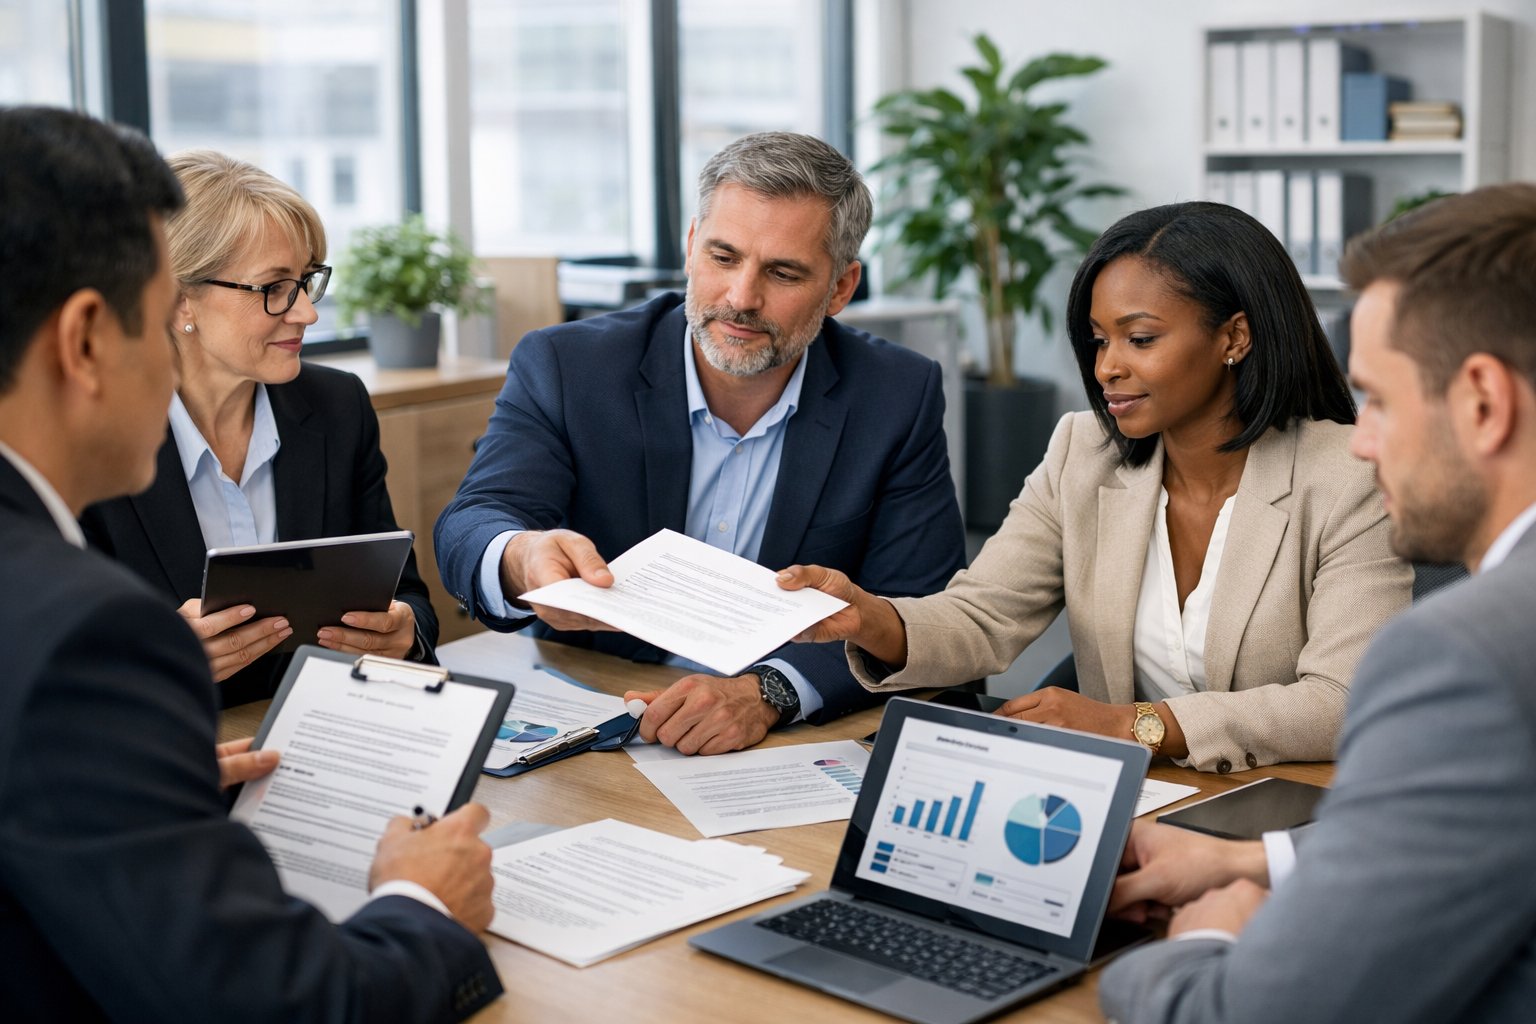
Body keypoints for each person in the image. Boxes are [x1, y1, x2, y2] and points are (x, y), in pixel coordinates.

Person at [0, 106, 500, 1022]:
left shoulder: (332, 410)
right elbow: (274, 1004)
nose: (306, 314)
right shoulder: (84, 633)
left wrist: (147, 781)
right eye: (152, 323)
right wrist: (422, 901)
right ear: (87, 338)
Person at [1095, 183, 1536, 1023]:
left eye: (1379, 399)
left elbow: (1238, 1014)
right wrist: (1267, 862)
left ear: (1483, 402)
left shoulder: (1470, 658)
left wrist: (1202, 941)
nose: (1362, 440)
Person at [783, 201, 1413, 772]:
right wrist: (870, 618)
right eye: (1098, 340)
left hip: (1280, 812)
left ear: (1234, 338)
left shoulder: (1348, 476)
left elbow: (1341, 700)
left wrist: (1133, 726)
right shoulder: (1082, 453)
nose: (1107, 366)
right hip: (1120, 802)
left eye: (1140, 339)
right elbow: (983, 616)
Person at [434, 131, 965, 755]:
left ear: (841, 289)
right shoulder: (569, 366)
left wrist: (771, 691)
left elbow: (918, 607)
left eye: (783, 272)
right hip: (599, 708)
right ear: (691, 247)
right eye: (722, 257)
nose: (741, 298)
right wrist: (519, 555)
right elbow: (473, 519)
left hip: (778, 741)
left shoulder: (896, 393)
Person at [80, 150, 437, 707]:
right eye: (274, 288)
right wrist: (159, 657)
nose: (307, 313)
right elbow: (40, 662)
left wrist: (405, 632)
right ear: (176, 303)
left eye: (305, 280)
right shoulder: (87, 442)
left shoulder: (337, 406)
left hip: (327, 741)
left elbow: (405, 593)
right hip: (170, 760)